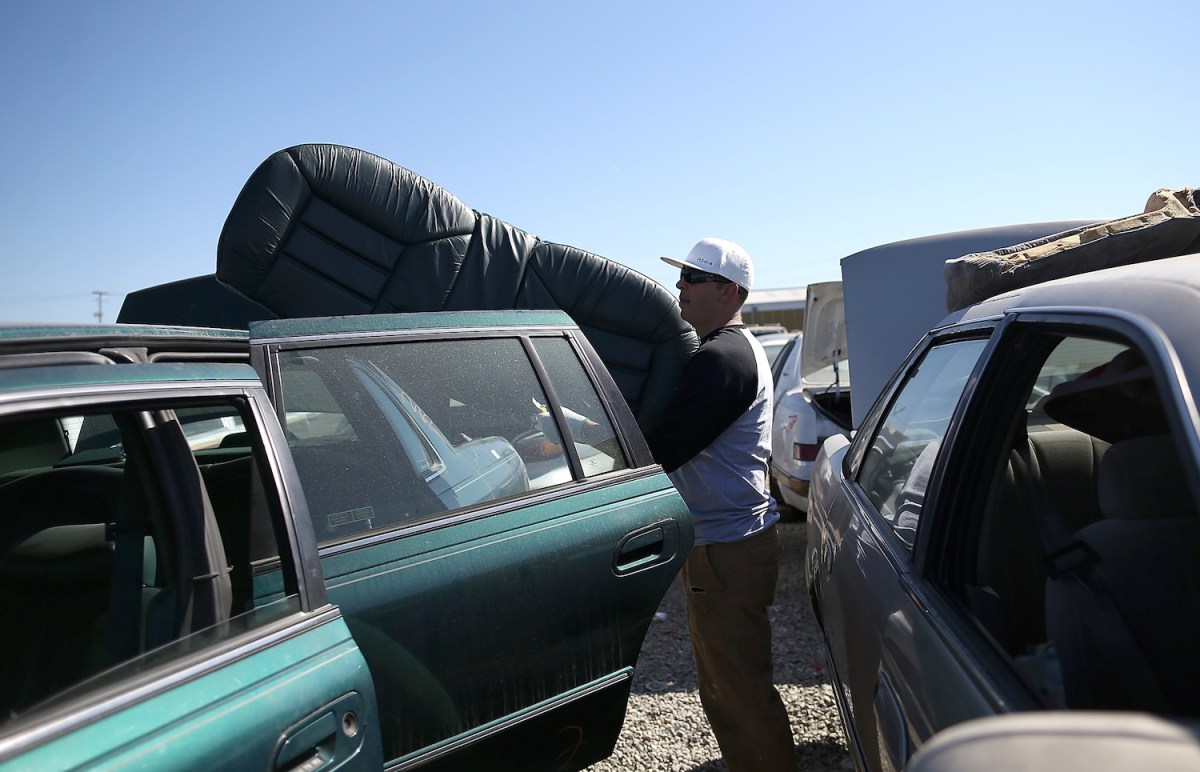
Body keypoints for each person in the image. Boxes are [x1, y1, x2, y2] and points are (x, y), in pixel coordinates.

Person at [645, 237, 795, 771]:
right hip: (728, 542)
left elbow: (664, 447)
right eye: (681, 276)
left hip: (728, 547)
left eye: (692, 277)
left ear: (729, 291)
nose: (679, 287)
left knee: (738, 690)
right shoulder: (731, 349)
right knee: (727, 683)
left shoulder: (721, 357)